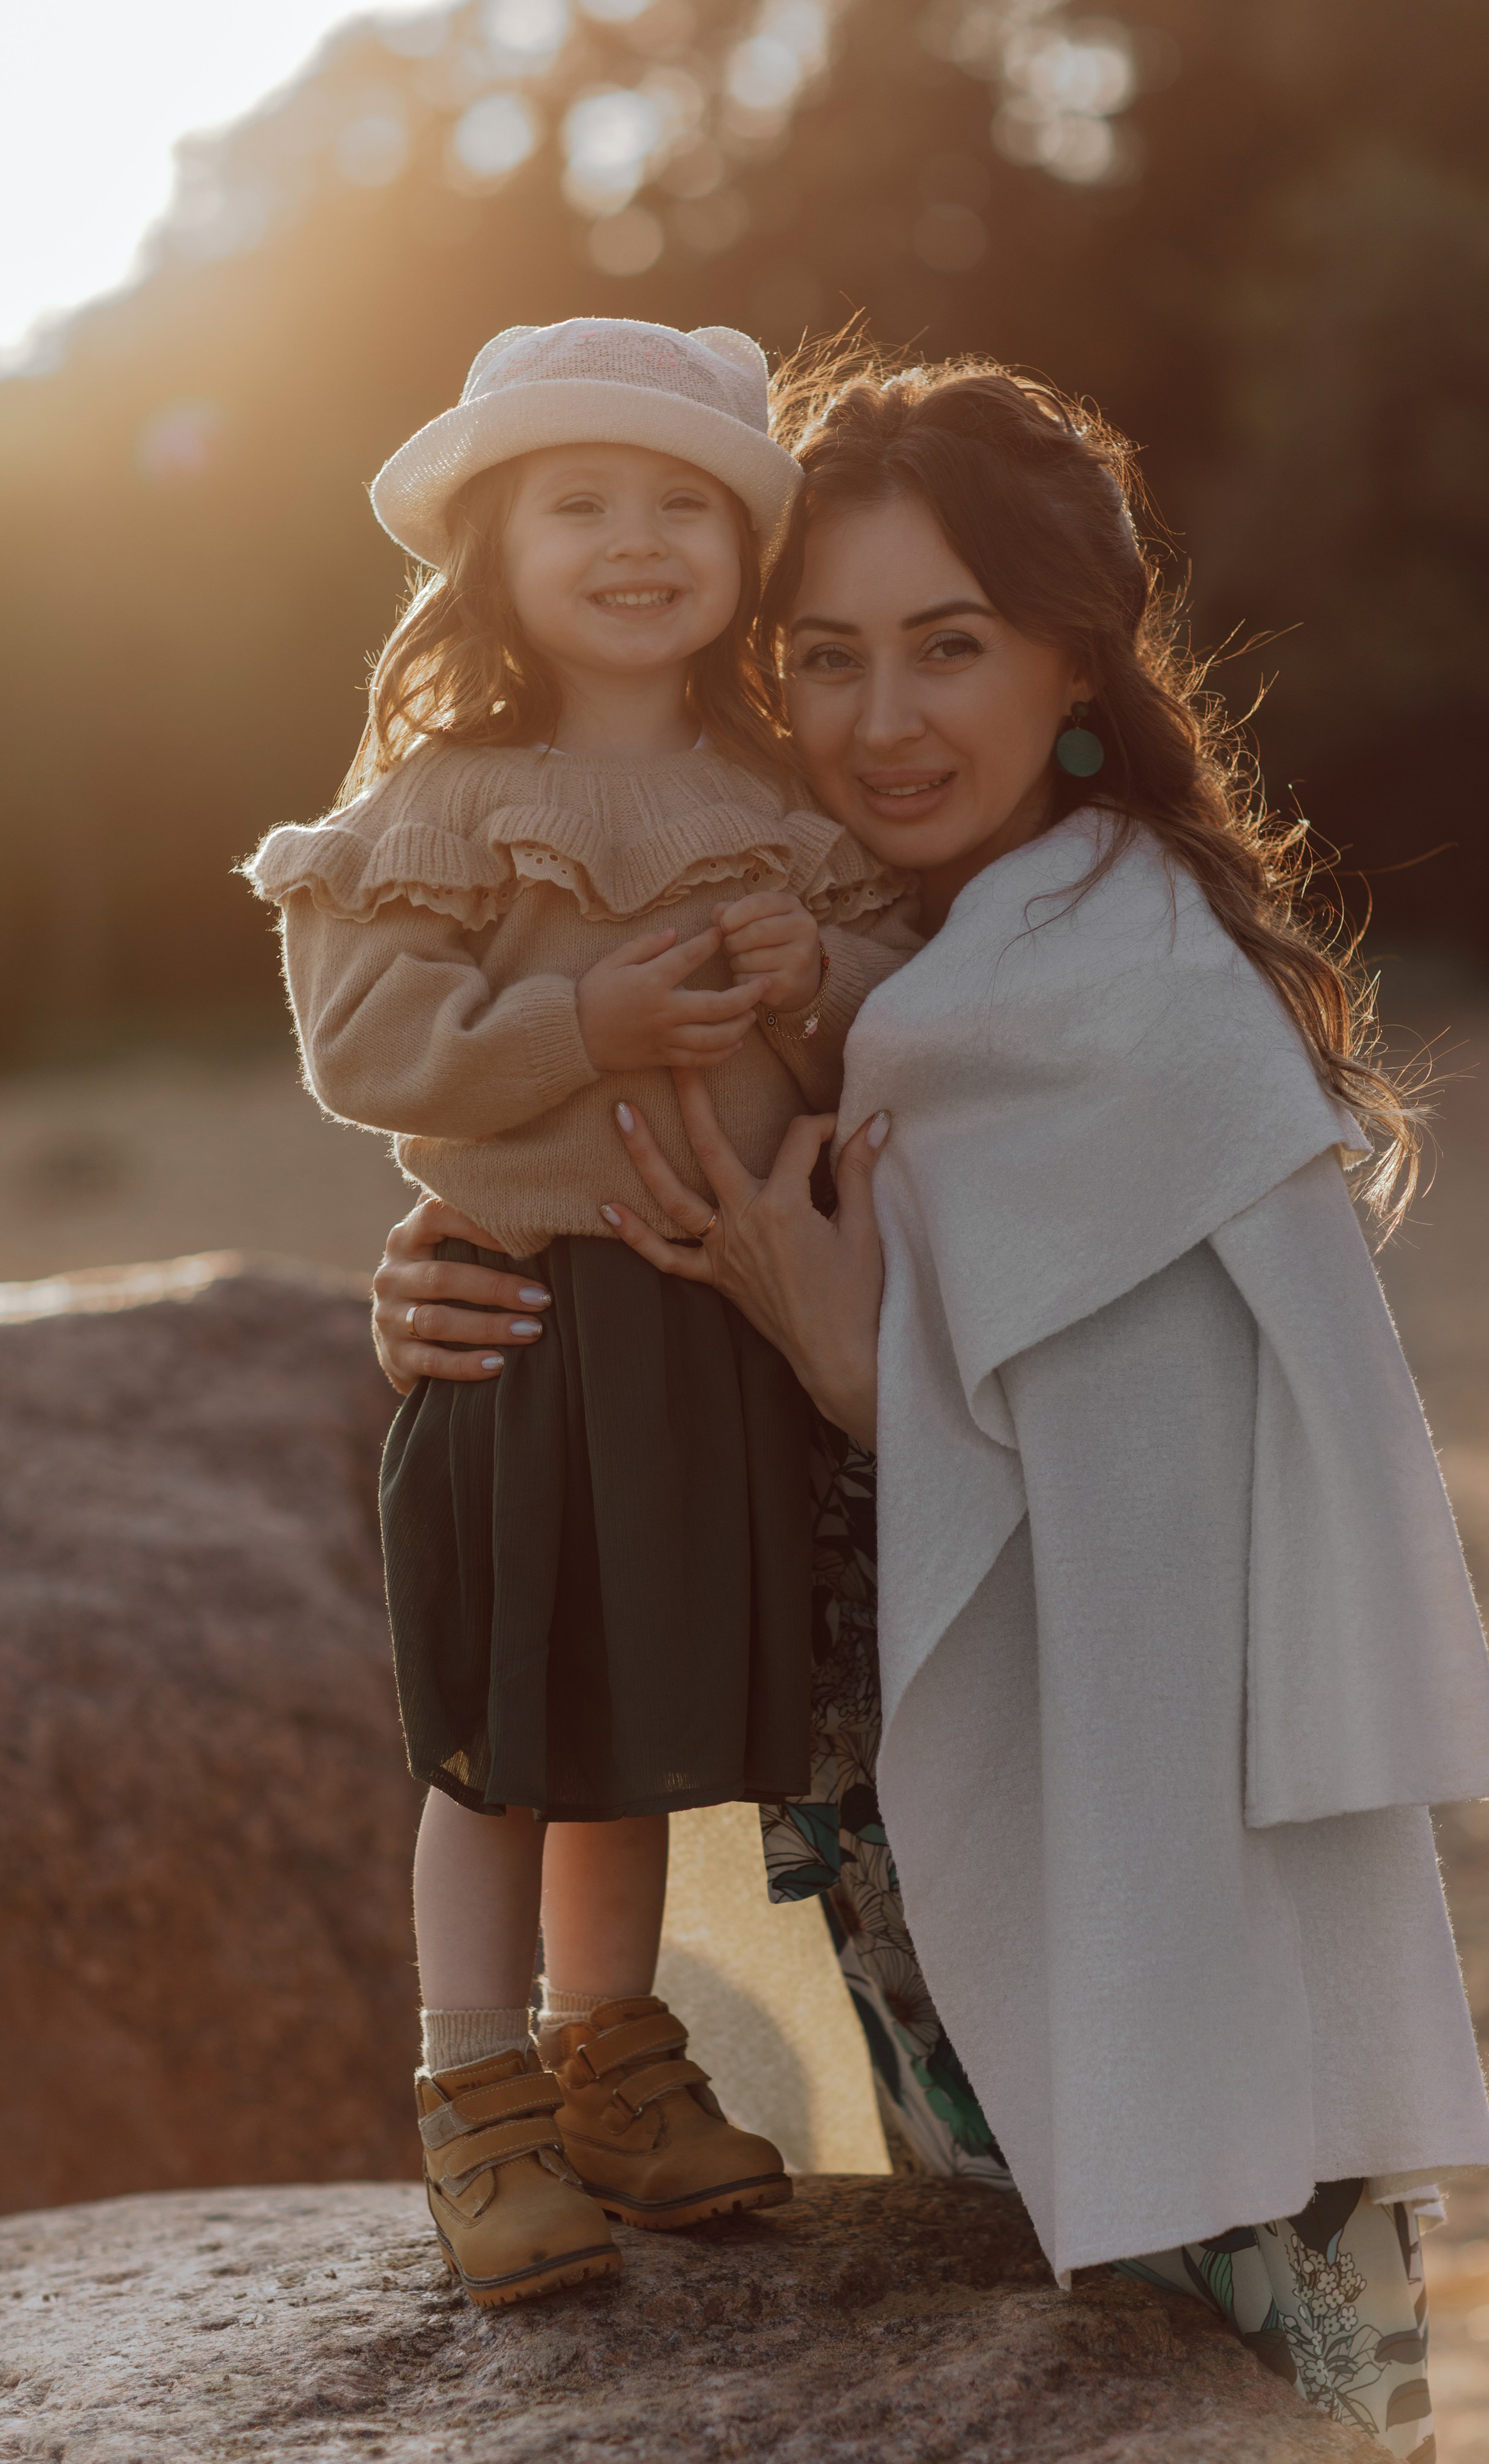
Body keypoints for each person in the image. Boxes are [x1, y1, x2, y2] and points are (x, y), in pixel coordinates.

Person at [370, 352, 1489, 2455]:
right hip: (926, 1884)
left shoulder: (1125, 993)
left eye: (951, 645)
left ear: (1074, 658)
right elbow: (603, 1163)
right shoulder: (866, 955)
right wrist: (465, 1265)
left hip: (1162, 1901)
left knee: (1263, 2419)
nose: (882, 721)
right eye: (826, 656)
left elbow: (1197, 1534)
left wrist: (848, 1366)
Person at [241, 318, 914, 2309]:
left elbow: (894, 1016)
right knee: (504, 1745)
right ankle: (476, 2096)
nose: (637, 542)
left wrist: (812, 970)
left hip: (713, 1337)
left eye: (684, 504)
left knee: (625, 1745)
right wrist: (583, 1022)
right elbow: (369, 1048)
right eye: (581, 504)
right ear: (493, 548)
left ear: (744, 550)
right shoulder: (445, 796)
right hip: (527, 1329)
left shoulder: (777, 792)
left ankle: (613, 2064)